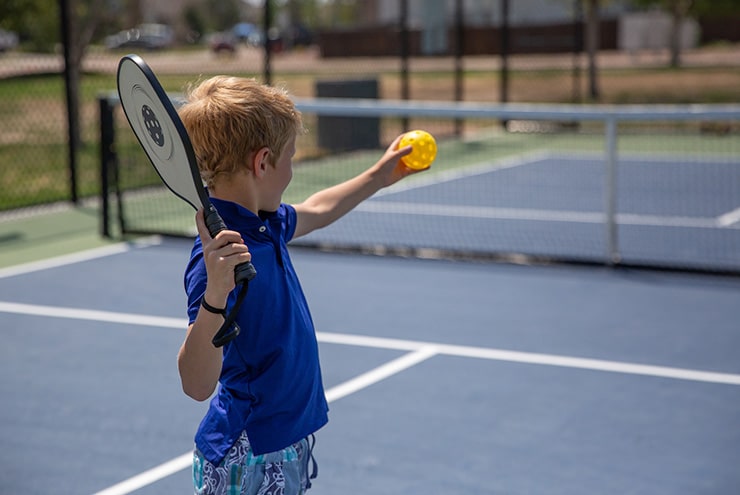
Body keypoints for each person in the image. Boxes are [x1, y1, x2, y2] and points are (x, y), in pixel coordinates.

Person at [176, 75, 424, 495]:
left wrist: (379, 176)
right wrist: (215, 295)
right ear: (263, 162)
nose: (292, 170)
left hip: (282, 443)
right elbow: (196, 384)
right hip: (248, 453)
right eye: (290, 157)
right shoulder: (217, 258)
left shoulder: (265, 223)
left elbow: (316, 209)